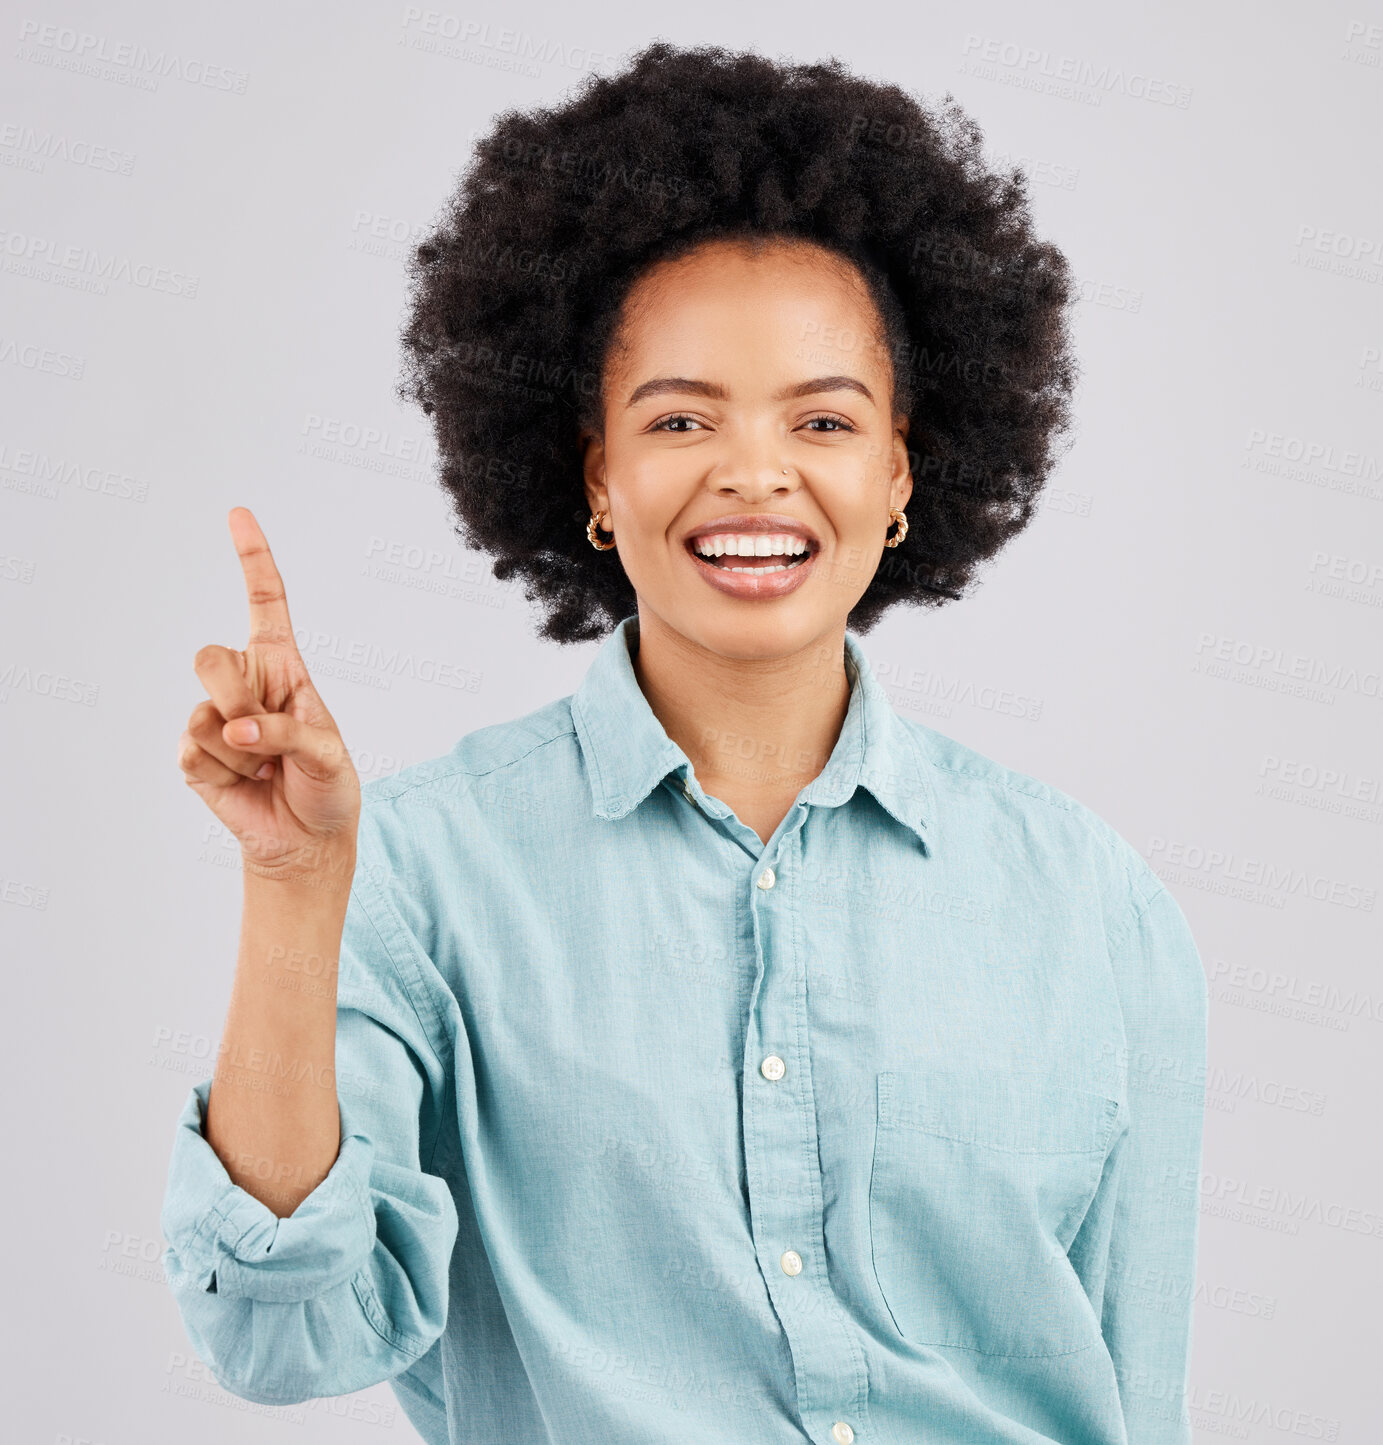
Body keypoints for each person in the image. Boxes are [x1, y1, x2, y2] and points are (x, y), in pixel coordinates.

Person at [162, 40, 1208, 1445]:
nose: (754, 471)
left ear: (902, 468)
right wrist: (295, 889)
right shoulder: (416, 874)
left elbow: (1137, 1400)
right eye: (680, 417)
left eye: (823, 419)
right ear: (597, 470)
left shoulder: (1095, 909)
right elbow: (281, 1329)